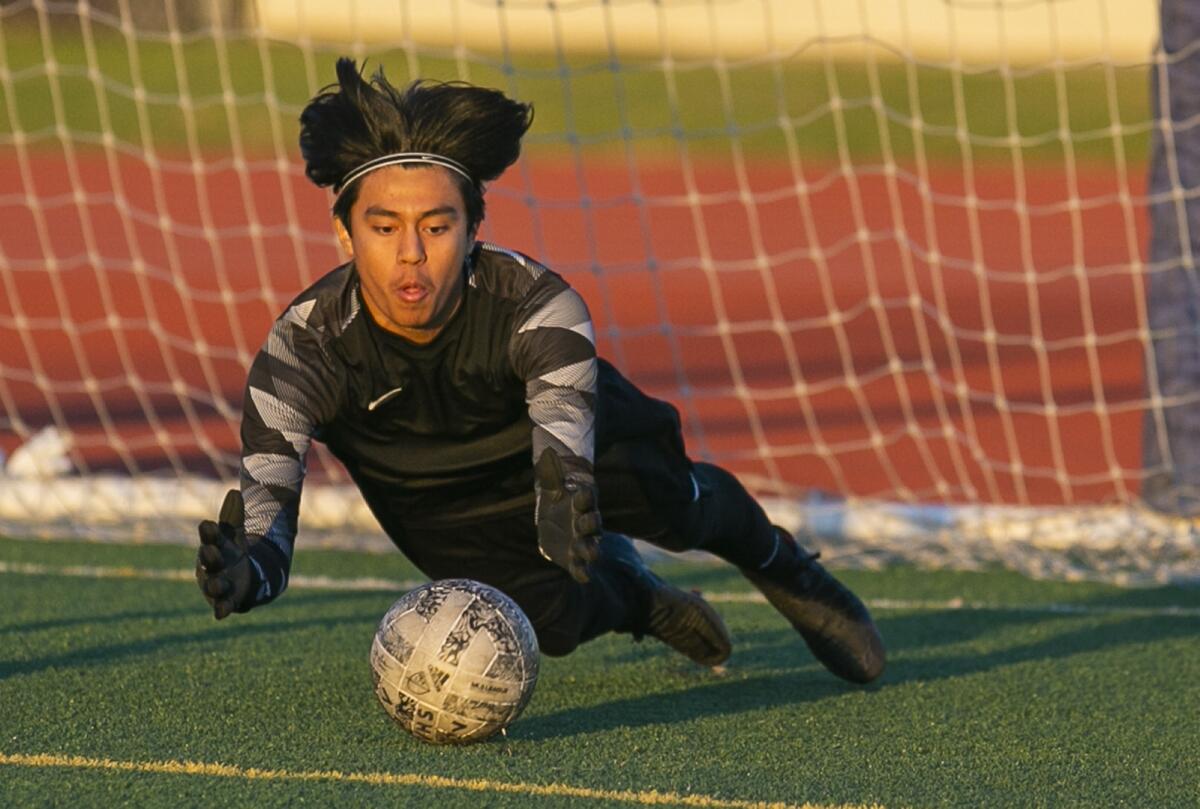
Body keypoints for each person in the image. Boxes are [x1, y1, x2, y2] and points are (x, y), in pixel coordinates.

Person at [195, 58, 886, 683]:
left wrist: (567, 495)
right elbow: (267, 525)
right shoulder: (300, 351)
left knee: (673, 506)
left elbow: (564, 438)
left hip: (566, 456)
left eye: (436, 227)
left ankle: (779, 562)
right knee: (545, 624)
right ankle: (640, 597)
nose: (411, 254)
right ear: (344, 233)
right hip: (436, 504)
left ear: (473, 231)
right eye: (384, 228)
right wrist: (245, 571)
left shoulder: (537, 307)